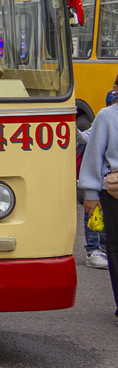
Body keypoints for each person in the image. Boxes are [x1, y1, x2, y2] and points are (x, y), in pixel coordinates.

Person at [76, 85, 118, 322]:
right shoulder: (106, 116)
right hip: (113, 190)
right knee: (116, 248)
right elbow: (93, 154)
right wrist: (91, 193)